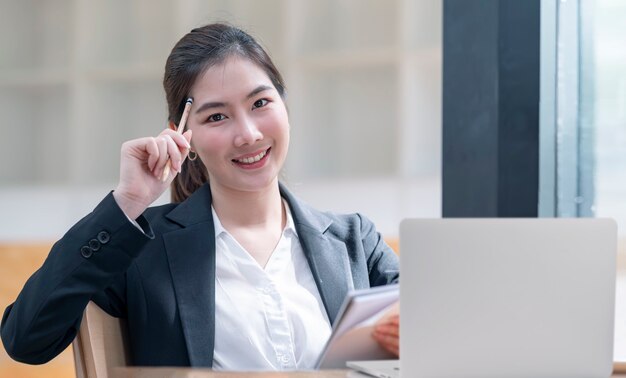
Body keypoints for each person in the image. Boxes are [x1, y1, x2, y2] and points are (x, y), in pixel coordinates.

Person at [1, 23, 399, 370]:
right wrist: (127, 203)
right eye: (217, 116)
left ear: (284, 105)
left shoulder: (354, 243)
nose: (248, 134)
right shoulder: (145, 251)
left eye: (260, 103)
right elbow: (27, 340)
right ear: (183, 137)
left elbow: (438, 334)